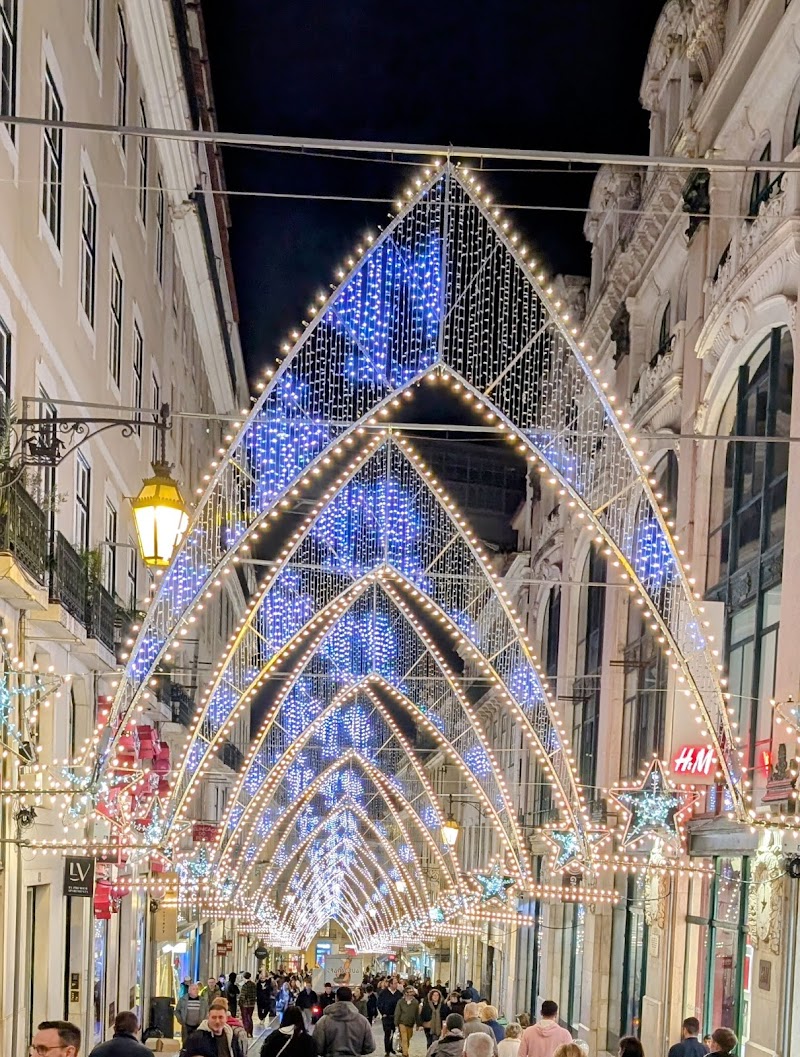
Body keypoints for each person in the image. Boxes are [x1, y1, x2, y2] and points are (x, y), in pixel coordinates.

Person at [312, 985, 374, 1057]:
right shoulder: (363, 1021)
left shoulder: (324, 1021)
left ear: (336, 998)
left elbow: (317, 1047)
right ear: (351, 998)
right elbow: (370, 1047)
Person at [378, 976, 402, 1056]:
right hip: (386, 1017)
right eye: (395, 983)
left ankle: (391, 1047)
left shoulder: (399, 994)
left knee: (395, 1033)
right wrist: (382, 1013)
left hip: (396, 1017)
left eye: (397, 983)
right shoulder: (383, 993)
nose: (396, 985)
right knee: (387, 1033)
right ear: (390, 984)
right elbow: (379, 1004)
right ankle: (387, 1050)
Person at [394, 986, 421, 1057]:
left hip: (410, 1024)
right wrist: (396, 1023)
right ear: (405, 993)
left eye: (412, 992)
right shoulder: (401, 1002)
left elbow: (417, 1014)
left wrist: (418, 1024)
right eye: (409, 992)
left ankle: (404, 1050)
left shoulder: (415, 1002)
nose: (411, 994)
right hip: (402, 1022)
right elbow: (397, 1013)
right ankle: (405, 1054)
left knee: (407, 1038)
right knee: (404, 1038)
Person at [240, 972, 257, 1038]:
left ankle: (246, 1031)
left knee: (245, 1018)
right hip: (252, 1004)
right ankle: (251, 1032)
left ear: (244, 977)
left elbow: (243, 996)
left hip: (245, 1004)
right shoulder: (253, 984)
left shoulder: (245, 985)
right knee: (250, 1017)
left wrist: (240, 1003)